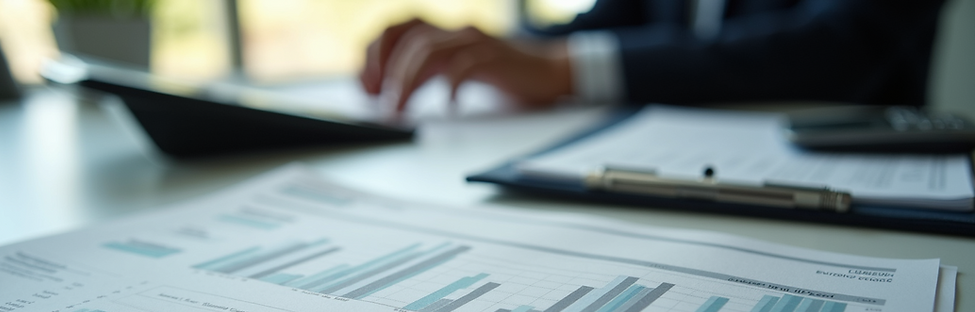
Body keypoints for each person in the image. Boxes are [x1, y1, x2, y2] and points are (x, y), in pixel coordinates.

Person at [359, 0, 945, 112]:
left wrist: (562, 69)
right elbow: (606, 25)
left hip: (855, 190)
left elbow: (838, 48)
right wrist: (479, 46)